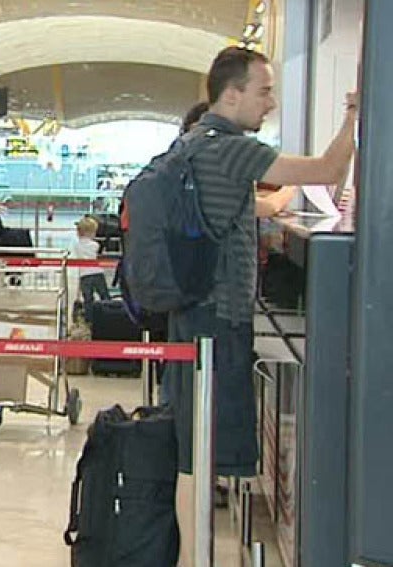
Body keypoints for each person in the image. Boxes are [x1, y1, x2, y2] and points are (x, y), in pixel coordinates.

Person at [165, 46, 358, 567]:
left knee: (191, 447)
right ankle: (195, 555)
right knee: (206, 449)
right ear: (233, 94)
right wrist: (354, 114)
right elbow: (328, 168)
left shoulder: (194, 142)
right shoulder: (233, 148)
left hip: (191, 312)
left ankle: (189, 552)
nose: (270, 102)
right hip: (220, 317)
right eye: (264, 90)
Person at [73, 216, 109, 309]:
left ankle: (89, 317)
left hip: (84, 275)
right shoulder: (95, 244)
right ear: (90, 232)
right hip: (97, 272)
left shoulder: (76, 245)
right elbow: (98, 253)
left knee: (88, 299)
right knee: (104, 295)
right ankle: (107, 312)